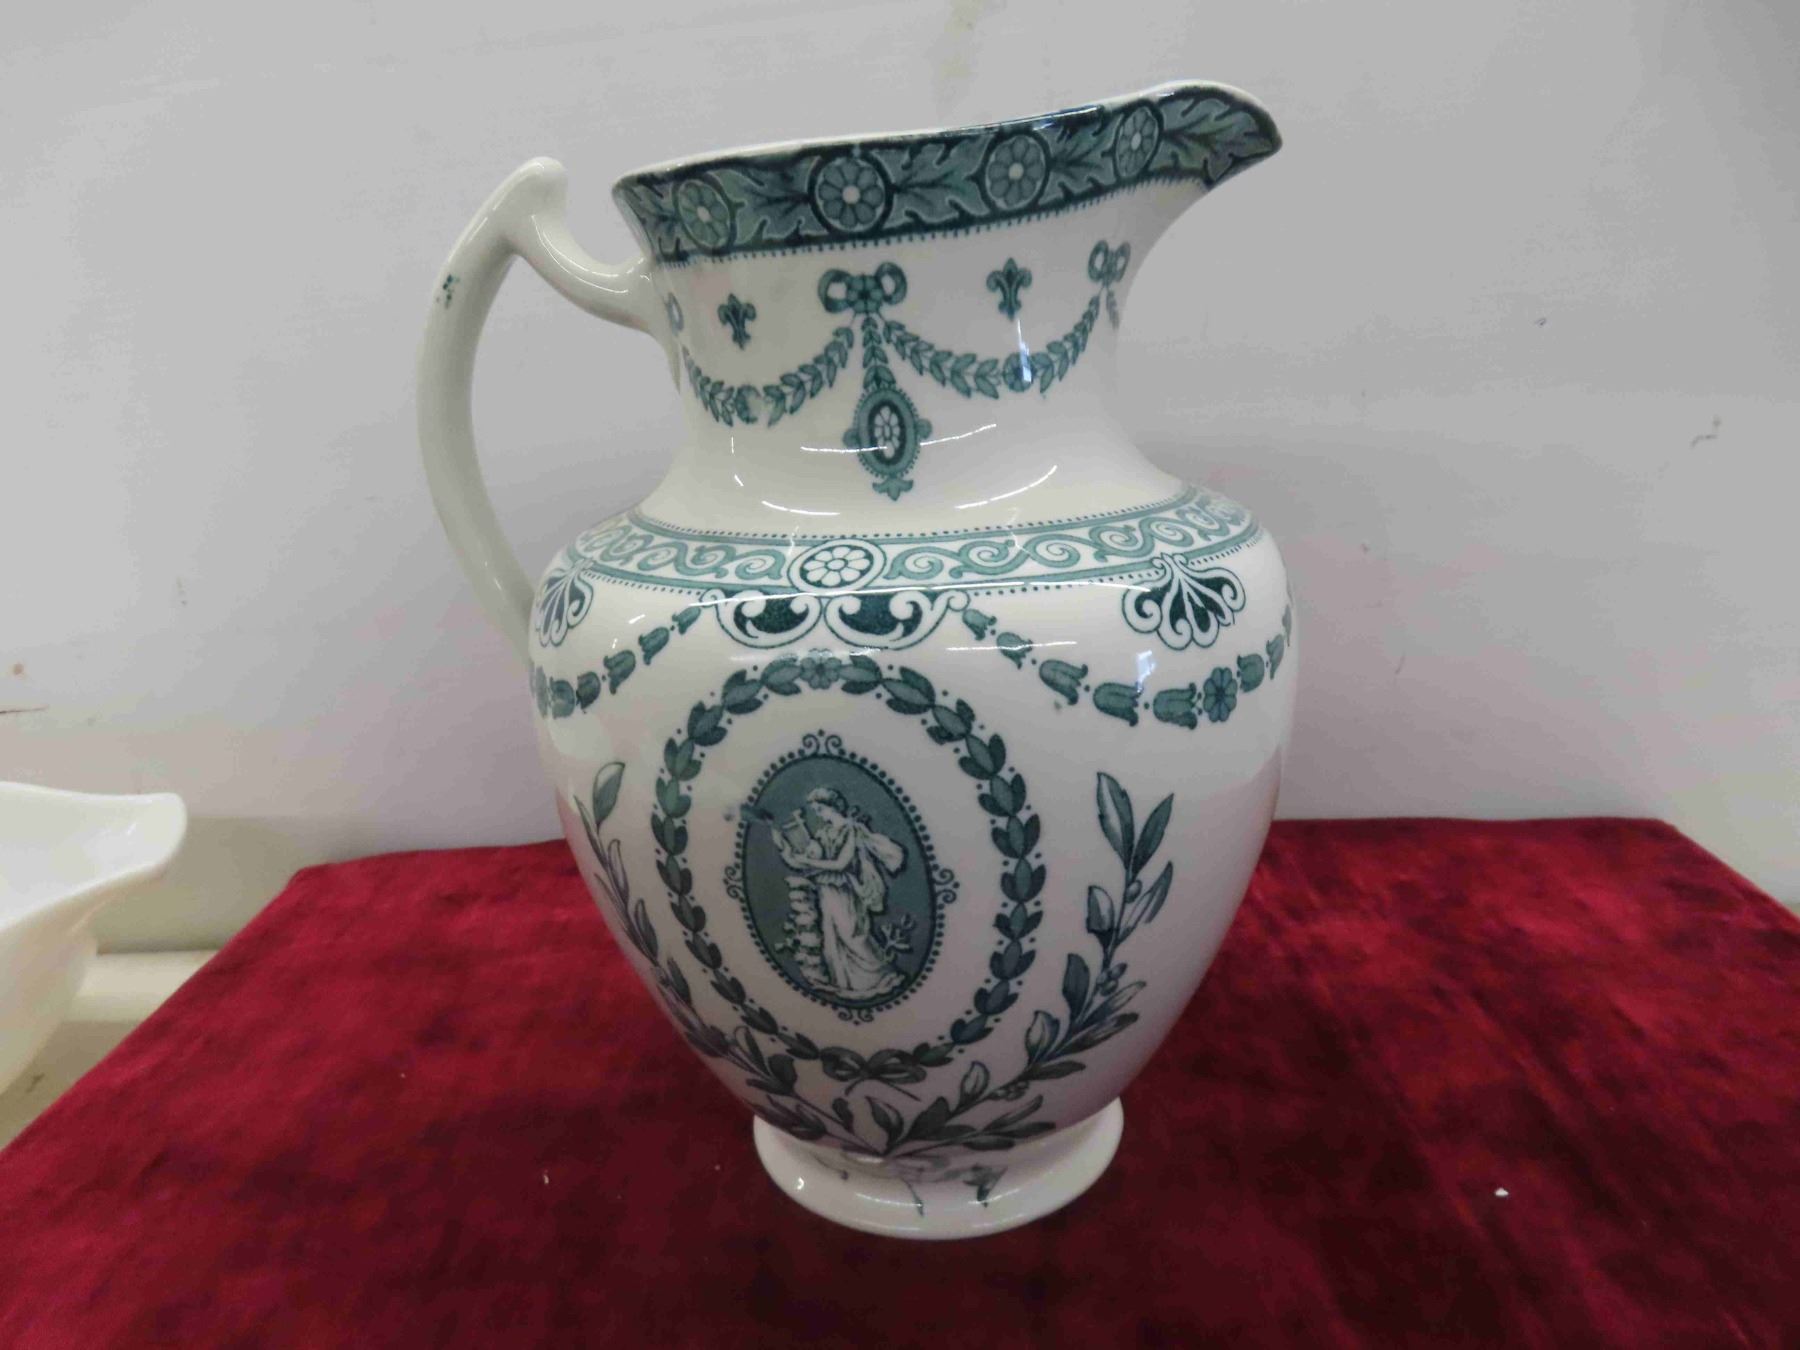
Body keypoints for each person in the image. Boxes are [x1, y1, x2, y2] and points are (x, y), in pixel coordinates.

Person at [774, 787, 907, 998]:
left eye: (820, 809)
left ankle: (880, 977)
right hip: (826, 888)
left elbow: (840, 864)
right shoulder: (824, 832)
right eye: (816, 810)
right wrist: (786, 849)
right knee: (831, 936)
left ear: (832, 806)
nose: (818, 814)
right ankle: (844, 984)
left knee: (852, 934)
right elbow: (809, 862)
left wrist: (808, 861)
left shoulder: (851, 830)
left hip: (845, 888)